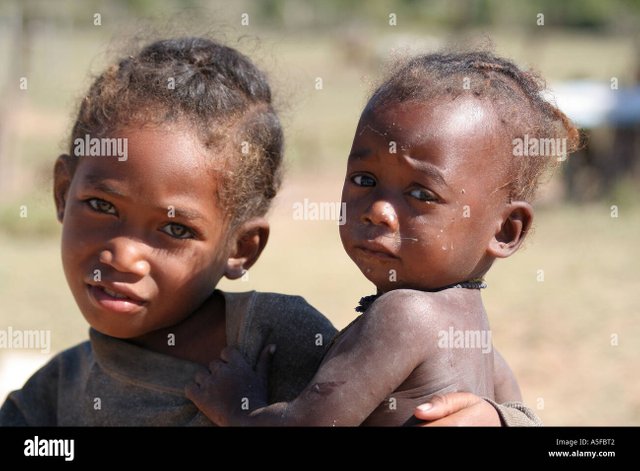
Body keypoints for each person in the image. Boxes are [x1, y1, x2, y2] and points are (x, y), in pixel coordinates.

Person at [0, 38, 538, 426]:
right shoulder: (63, 384)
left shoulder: (277, 341)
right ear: (61, 193)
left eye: (173, 228)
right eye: (100, 204)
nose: (124, 255)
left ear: (242, 247)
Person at [186, 50, 578, 426]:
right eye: (364, 180)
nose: (378, 210)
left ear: (505, 230)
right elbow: (515, 409)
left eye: (421, 194)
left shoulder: (404, 315)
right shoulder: (478, 337)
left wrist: (240, 407)